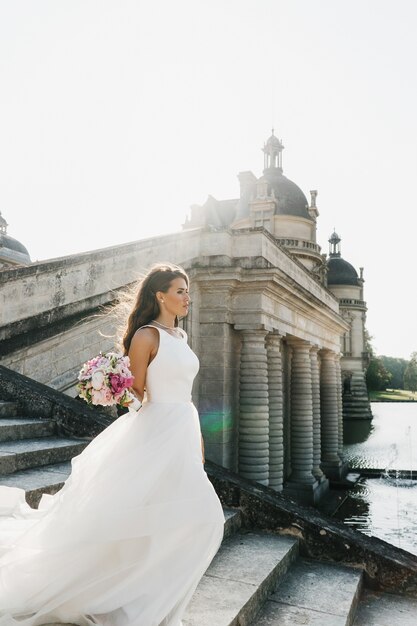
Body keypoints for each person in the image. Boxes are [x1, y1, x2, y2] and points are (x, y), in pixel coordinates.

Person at [0, 263, 225, 626]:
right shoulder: (147, 336)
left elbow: (185, 395)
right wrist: (110, 385)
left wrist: (196, 444)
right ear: (160, 295)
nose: (187, 297)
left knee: (187, 516)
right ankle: (133, 604)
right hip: (156, 429)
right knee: (199, 516)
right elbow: (135, 393)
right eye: (180, 290)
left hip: (183, 427)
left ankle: (150, 598)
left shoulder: (179, 336)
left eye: (188, 291)